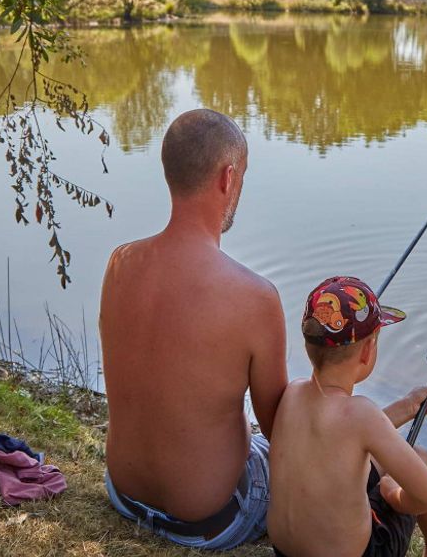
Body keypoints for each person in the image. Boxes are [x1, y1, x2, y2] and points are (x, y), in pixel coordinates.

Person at [99, 108, 288, 549]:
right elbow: (280, 428)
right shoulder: (256, 297)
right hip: (209, 520)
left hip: (124, 494)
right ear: (228, 178)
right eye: (242, 175)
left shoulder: (119, 263)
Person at [267, 275, 427, 557]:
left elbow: (341, 437)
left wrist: (406, 406)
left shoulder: (292, 395)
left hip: (286, 551)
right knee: (422, 459)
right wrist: (395, 496)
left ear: (307, 346)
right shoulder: (361, 414)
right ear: (367, 352)